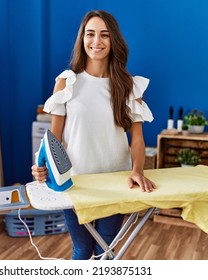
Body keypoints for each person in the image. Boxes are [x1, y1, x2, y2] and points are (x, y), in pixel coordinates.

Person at [31, 10, 156, 260]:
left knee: (105, 251)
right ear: (82, 38)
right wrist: (40, 165)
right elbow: (53, 139)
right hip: (75, 183)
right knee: (82, 249)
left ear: (113, 41)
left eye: (104, 35)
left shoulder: (129, 85)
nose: (96, 41)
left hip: (116, 181)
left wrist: (137, 171)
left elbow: (138, 139)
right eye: (90, 34)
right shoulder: (67, 83)